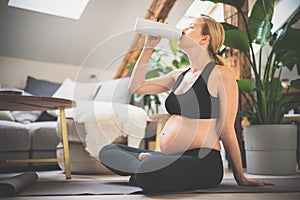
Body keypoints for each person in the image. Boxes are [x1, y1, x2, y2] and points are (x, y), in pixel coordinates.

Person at [99, 16, 273, 194]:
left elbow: (226, 129)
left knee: (149, 170)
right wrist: (149, 45)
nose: (182, 30)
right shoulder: (178, 75)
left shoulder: (221, 75)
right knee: (108, 151)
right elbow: (136, 86)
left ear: (205, 39)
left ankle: (145, 168)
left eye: (190, 27)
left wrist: (240, 176)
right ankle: (145, 166)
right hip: (169, 158)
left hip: (201, 161)